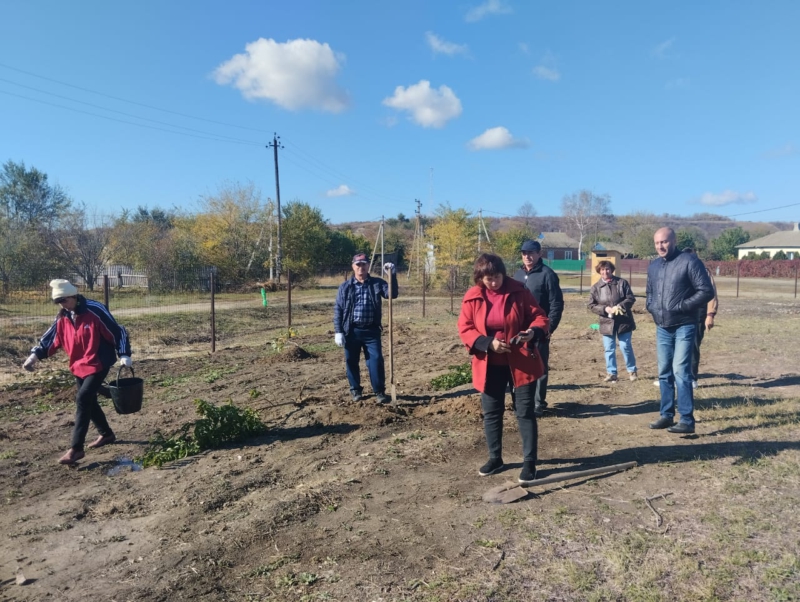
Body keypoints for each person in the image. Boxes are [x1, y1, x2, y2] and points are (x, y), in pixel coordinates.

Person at [458, 253, 550, 482]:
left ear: (503, 273)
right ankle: (495, 458)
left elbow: (540, 318)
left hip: (521, 362)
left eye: (497, 276)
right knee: (491, 413)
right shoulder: (472, 297)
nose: (493, 282)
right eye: (488, 278)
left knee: (525, 413)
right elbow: (465, 327)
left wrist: (532, 332)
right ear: (480, 277)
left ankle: (530, 463)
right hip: (489, 364)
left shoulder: (519, 291)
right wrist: (489, 343)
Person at [22, 279, 132, 465]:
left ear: (73, 296)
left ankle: (76, 449)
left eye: (64, 300)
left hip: (99, 362)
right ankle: (107, 434)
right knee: (88, 399)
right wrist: (34, 356)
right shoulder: (63, 317)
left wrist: (124, 354)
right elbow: (50, 338)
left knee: (82, 399)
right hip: (78, 365)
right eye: (58, 302)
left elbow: (118, 331)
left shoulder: (94, 310)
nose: (62, 305)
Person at [646, 228, 714, 434]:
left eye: (664, 242)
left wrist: (683, 306)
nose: (660, 246)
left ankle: (686, 419)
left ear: (674, 241)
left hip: (685, 324)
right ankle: (666, 415)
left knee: (681, 372)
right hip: (663, 327)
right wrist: (652, 308)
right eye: (657, 243)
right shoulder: (654, 266)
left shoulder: (689, 262)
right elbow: (649, 292)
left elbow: (706, 290)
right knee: (664, 372)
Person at [333, 253, 398, 404]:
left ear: (368, 266)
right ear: (353, 266)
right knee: (351, 361)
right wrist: (338, 331)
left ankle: (379, 391)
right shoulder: (345, 287)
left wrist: (392, 275)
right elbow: (338, 310)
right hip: (351, 331)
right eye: (358, 264)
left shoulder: (377, 283)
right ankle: (355, 390)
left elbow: (392, 294)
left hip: (371, 331)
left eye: (363, 264)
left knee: (375, 360)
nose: (361, 267)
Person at [513, 240, 564, 416]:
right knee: (520, 364)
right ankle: (521, 402)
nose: (527, 256)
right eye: (524, 253)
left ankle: (538, 403)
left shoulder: (547, 274)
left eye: (531, 253)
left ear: (539, 254)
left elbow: (556, 302)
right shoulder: (518, 275)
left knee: (540, 366)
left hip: (540, 328)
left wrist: (551, 326)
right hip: (519, 329)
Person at [587, 260, 638, 382]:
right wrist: (605, 309)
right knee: (609, 348)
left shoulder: (622, 283)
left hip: (623, 321)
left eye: (607, 269)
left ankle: (632, 371)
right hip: (606, 323)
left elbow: (631, 298)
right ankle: (612, 373)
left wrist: (620, 306)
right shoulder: (595, 288)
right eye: (603, 269)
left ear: (612, 270)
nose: (605, 272)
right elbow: (591, 305)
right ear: (599, 271)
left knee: (625, 346)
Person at [683, 248, 718, 387]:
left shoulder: (704, 272)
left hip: (699, 313)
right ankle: (674, 377)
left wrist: (710, 315)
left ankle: (692, 378)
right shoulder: (681, 271)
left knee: (693, 346)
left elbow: (712, 295)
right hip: (681, 313)